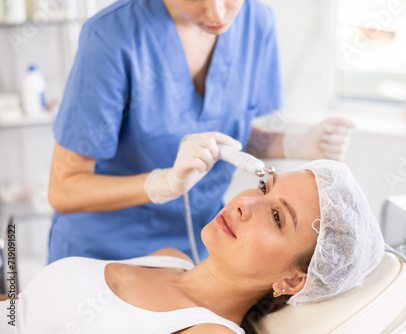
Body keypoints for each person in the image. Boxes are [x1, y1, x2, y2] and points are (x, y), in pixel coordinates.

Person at [47, 0, 355, 263]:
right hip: (104, 252)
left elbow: (227, 133)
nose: (218, 13)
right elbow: (64, 189)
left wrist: (292, 144)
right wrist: (160, 184)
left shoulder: (256, 21)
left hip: (202, 244)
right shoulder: (112, 37)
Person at [1, 160, 384, 334]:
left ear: (294, 281)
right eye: (265, 187)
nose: (244, 202)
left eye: (277, 217)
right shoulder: (167, 259)